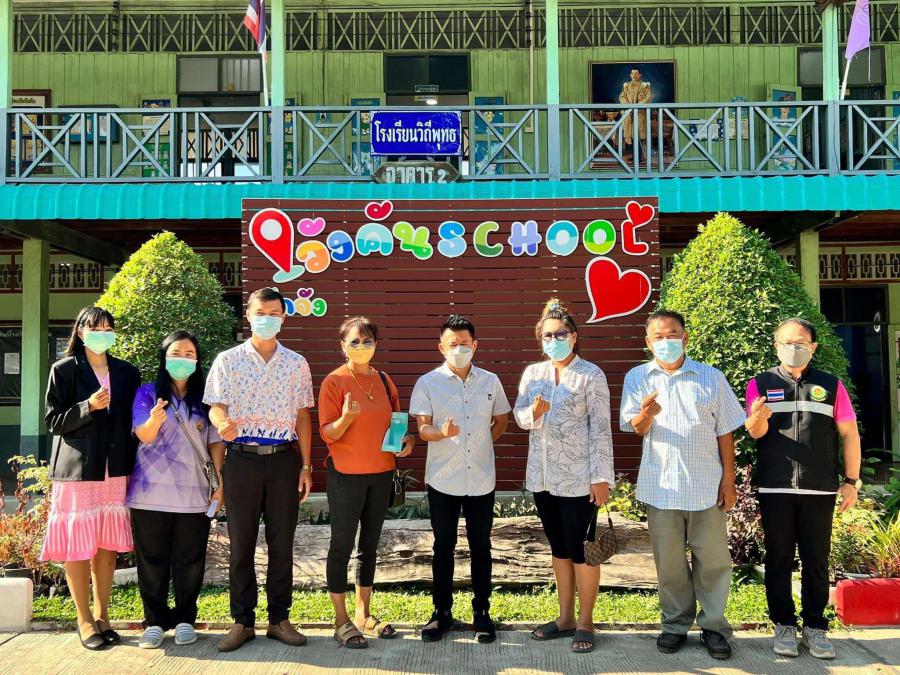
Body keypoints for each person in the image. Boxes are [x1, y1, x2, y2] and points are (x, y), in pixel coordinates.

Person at [620, 310, 746, 660]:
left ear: (685, 338)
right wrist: (647, 413)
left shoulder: (711, 377)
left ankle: (714, 627)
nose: (666, 341)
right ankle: (674, 625)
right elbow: (636, 427)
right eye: (658, 336)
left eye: (672, 334)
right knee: (670, 564)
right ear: (648, 343)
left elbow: (726, 431)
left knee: (713, 561)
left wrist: (729, 480)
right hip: (661, 487)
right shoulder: (638, 377)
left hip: (706, 486)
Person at [203, 287, 314, 653]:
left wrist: (306, 465)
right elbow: (215, 406)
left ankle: (280, 619)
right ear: (248, 315)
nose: (267, 319)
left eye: (274, 313)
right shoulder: (228, 360)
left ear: (283, 317)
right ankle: (242, 621)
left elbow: (302, 416)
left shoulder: (296, 363)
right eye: (260, 312)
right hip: (241, 459)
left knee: (282, 543)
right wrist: (221, 423)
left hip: (284, 460)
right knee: (242, 543)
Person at [745, 318, 861, 660]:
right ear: (775, 346)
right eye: (786, 342)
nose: (793, 348)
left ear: (813, 347)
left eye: (800, 343)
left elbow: (849, 434)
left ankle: (815, 627)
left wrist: (851, 481)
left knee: (816, 561)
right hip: (775, 488)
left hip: (819, 488)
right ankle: (783, 624)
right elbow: (754, 432)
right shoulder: (761, 383)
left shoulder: (831, 385)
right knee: (778, 559)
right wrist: (758, 417)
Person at [515, 299, 614, 654]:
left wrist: (601, 477)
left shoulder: (591, 374)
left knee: (582, 551)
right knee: (559, 549)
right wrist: (533, 412)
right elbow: (520, 417)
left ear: (573, 336)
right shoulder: (533, 374)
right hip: (543, 477)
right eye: (547, 335)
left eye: (560, 334)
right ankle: (565, 618)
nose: (554, 340)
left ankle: (586, 621)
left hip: (580, 479)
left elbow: (600, 428)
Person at [40, 306, 141, 650]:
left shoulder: (126, 372)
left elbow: (133, 420)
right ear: (81, 332)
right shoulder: (64, 369)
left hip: (114, 468)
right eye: (95, 328)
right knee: (78, 545)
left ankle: (102, 616)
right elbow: (53, 421)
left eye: (108, 328)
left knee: (107, 545)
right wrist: (88, 406)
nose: (103, 333)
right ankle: (83, 620)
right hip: (78, 471)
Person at [409, 315, 511, 643]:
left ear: (475, 345)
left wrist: (479, 444)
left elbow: (501, 421)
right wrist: (442, 433)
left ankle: (482, 612)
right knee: (443, 547)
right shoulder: (428, 383)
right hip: (444, 479)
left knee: (481, 546)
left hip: (481, 479)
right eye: (452, 344)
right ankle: (441, 612)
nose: (459, 349)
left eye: (464, 343)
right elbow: (422, 429)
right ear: (441, 347)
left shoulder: (490, 381)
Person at [319, 317, 415, 649]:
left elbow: (397, 425)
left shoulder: (384, 380)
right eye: (355, 342)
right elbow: (327, 433)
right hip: (346, 476)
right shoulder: (334, 381)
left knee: (369, 547)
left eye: (368, 341)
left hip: (381, 474)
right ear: (342, 346)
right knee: (341, 546)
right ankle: (341, 620)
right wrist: (346, 417)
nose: (362, 347)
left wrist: (406, 441)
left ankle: (363, 614)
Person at [128, 331, 225, 649]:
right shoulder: (146, 393)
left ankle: (185, 619)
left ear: (197, 361)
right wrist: (154, 419)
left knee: (190, 559)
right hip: (149, 493)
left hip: (194, 493)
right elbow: (144, 435)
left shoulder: (205, 399)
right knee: (151, 560)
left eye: (189, 354)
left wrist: (219, 483)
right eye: (176, 353)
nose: (182, 359)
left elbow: (215, 442)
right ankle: (154, 622)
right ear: (164, 358)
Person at [619, 67, 652, 156]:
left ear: (640, 75)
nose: (634, 75)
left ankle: (640, 156)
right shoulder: (626, 86)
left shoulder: (645, 86)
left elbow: (647, 98)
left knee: (639, 134)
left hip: (639, 113)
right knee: (630, 134)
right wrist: (629, 107)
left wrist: (636, 107)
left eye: (636, 73)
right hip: (629, 113)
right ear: (630, 75)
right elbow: (622, 97)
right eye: (632, 73)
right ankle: (634, 156)